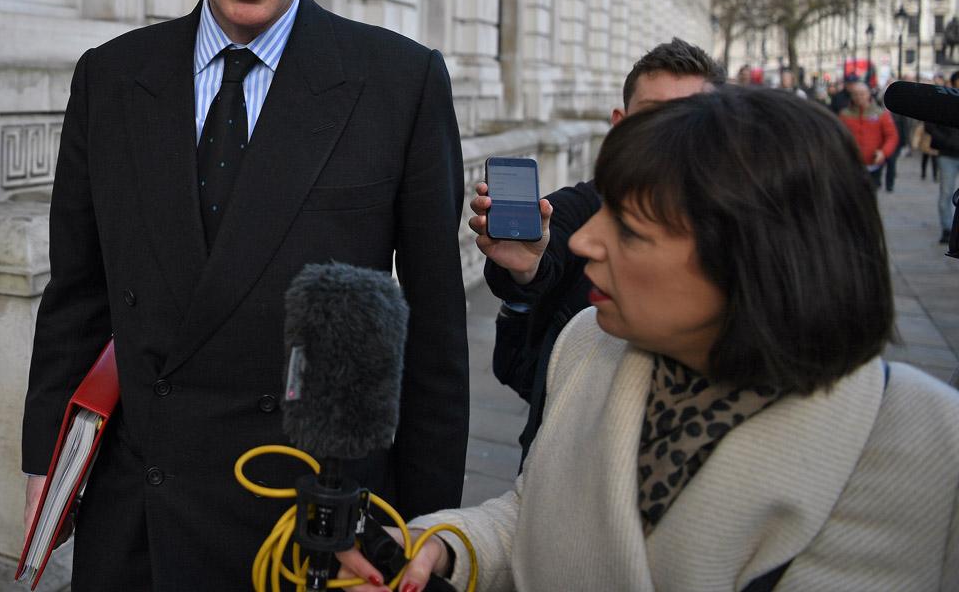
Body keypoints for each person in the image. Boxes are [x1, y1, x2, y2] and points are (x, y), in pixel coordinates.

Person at [20, 0, 469, 589]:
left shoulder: (401, 85)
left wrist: (425, 529)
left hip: (311, 533)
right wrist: (45, 465)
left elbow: (434, 340)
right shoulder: (110, 80)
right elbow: (77, 298)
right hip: (138, 525)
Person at [340, 88, 959, 592]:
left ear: (749, 259)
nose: (583, 242)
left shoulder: (929, 444)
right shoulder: (588, 343)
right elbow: (540, 518)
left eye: (631, 229)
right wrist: (447, 546)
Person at [471, 39, 725, 464]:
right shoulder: (579, 208)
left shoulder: (738, 232)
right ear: (619, 124)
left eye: (688, 119)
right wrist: (524, 271)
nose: (668, 135)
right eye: (652, 117)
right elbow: (547, 254)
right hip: (562, 454)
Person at [839, 80, 898, 189]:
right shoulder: (844, 115)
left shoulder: (880, 114)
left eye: (862, 94)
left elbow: (892, 136)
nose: (859, 97)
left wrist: (883, 152)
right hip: (851, 164)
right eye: (855, 94)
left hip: (873, 163)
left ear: (868, 94)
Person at [925, 70, 959, 243]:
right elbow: (929, 125)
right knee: (946, 192)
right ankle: (947, 228)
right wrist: (945, 141)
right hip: (947, 154)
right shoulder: (943, 101)